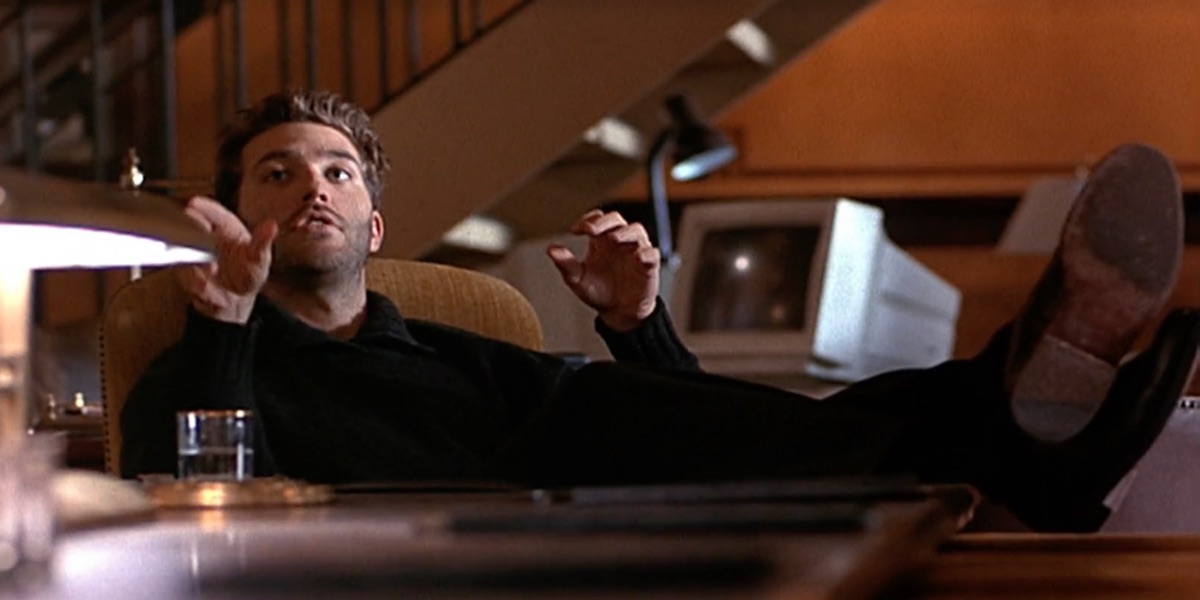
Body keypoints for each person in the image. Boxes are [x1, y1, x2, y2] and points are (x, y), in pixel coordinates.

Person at [121, 90, 1200, 533]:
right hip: (496, 540)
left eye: (339, 172)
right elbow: (198, 505)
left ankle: (1037, 403)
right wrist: (225, 328)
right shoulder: (200, 365)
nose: (313, 188)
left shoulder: (462, 350)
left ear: (376, 227)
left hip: (614, 504)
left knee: (876, 409)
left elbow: (711, 433)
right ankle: (1043, 420)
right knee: (606, 409)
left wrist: (640, 323)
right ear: (240, 218)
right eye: (277, 174)